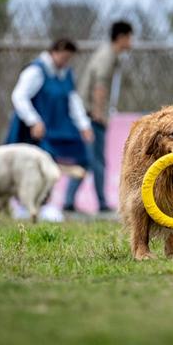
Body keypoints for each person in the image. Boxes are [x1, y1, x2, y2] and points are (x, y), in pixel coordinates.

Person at [6, 39, 92, 191]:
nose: (66, 62)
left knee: (82, 156)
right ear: (54, 52)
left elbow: (73, 100)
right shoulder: (36, 71)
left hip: (58, 128)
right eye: (64, 57)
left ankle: (62, 200)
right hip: (37, 132)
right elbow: (19, 96)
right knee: (38, 166)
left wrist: (84, 125)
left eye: (69, 59)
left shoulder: (66, 74)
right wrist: (33, 121)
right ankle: (31, 202)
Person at [65, 21, 133, 213]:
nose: (131, 42)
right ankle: (101, 203)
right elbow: (99, 86)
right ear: (121, 37)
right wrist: (98, 114)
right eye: (129, 37)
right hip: (91, 115)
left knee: (87, 159)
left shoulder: (109, 54)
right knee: (96, 160)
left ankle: (69, 201)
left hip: (88, 113)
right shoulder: (107, 56)